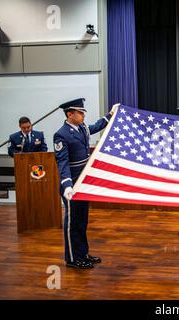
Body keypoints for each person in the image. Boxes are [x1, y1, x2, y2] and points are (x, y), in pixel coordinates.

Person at [54, 98, 116, 269]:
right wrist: (67, 185)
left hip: (83, 183)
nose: (83, 115)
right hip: (72, 185)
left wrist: (110, 115)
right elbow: (63, 162)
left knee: (82, 221)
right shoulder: (61, 135)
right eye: (80, 113)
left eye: (82, 113)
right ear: (70, 114)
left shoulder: (82, 129)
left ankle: (83, 253)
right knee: (72, 223)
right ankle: (73, 259)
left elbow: (96, 126)